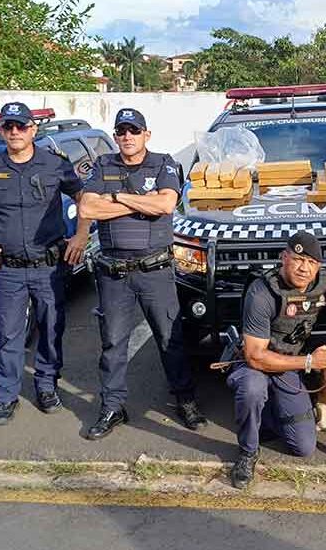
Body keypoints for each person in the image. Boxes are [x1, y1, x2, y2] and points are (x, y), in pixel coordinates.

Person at [78, 108, 207, 440]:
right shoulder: (103, 165)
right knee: (113, 344)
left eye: (134, 130)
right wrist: (139, 201)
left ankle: (185, 400)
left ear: (146, 134)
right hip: (114, 274)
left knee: (170, 340)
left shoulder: (163, 163)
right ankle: (112, 407)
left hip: (155, 271)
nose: (127, 137)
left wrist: (117, 197)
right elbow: (87, 209)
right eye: (121, 131)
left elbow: (166, 205)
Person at [0, 102, 90, 424]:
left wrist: (80, 236)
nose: (15, 132)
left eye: (21, 126)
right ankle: (6, 395)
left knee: (51, 328)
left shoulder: (55, 164)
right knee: (7, 333)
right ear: (1, 130)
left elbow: (83, 199)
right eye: (9, 126)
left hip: (48, 265)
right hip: (7, 268)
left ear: (33, 129)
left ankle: (46, 386)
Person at [228, 231, 326, 489]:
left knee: (304, 446)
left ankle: (268, 413)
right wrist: (308, 362)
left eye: (310, 262)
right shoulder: (262, 291)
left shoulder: (324, 283)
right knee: (252, 388)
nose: (303, 268)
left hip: (288, 364)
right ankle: (247, 452)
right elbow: (255, 356)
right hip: (256, 363)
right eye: (297, 259)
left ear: (318, 266)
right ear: (284, 258)